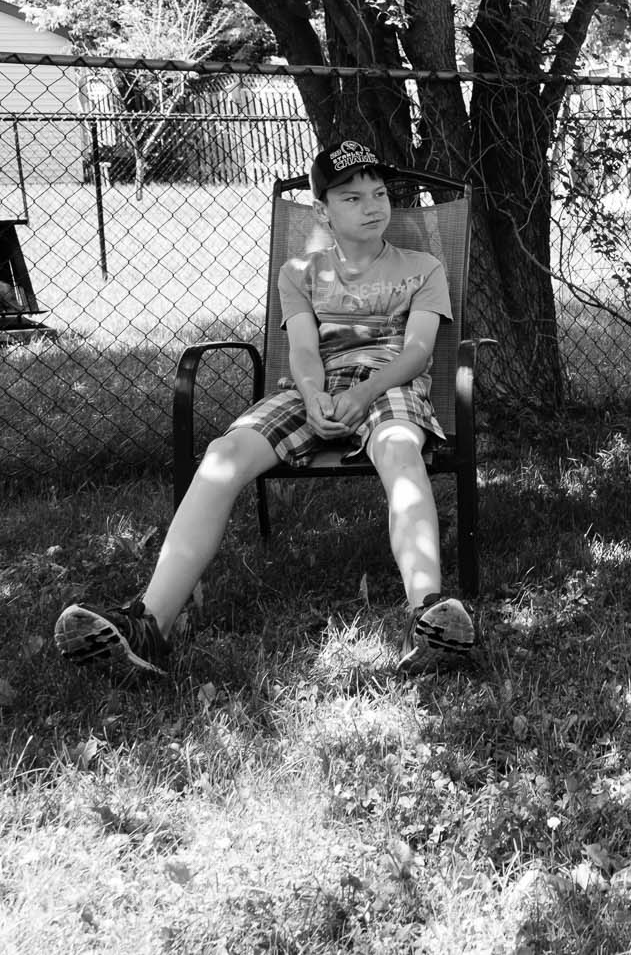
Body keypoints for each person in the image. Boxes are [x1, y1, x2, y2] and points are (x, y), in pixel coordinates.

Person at [55, 140, 476, 676]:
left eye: (378, 194)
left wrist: (362, 393)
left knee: (398, 449)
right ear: (323, 210)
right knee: (223, 453)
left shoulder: (423, 266)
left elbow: (417, 352)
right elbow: (302, 350)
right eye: (352, 198)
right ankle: (148, 624)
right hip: (308, 388)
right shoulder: (298, 271)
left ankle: (428, 614)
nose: (372, 207)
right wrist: (315, 394)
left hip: (386, 384)